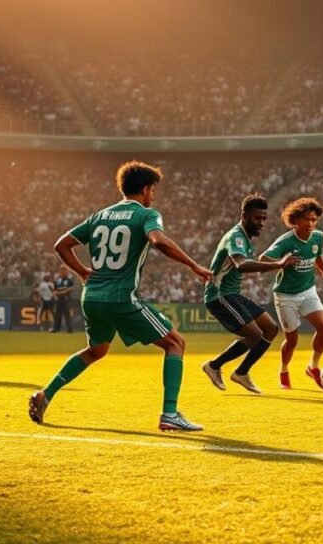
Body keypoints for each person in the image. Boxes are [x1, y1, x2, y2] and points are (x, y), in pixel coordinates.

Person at [29, 161, 213, 432]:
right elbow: (159, 241)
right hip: (121, 297)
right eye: (153, 190)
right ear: (146, 188)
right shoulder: (146, 215)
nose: (154, 196)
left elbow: (61, 245)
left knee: (96, 350)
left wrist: (82, 271)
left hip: (91, 297)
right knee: (175, 342)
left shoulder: (99, 216)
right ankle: (170, 414)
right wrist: (193, 265)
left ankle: (46, 393)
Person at [201, 193, 294, 394]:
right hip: (219, 296)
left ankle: (241, 373)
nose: (261, 223)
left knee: (271, 329)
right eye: (257, 218)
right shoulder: (236, 237)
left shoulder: (245, 238)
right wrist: (277, 264)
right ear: (244, 216)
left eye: (264, 218)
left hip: (232, 294)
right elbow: (241, 265)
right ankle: (214, 366)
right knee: (254, 334)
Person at [260, 197, 323, 390]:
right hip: (286, 295)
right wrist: (280, 263)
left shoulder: (318, 237)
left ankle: (313, 367)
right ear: (296, 219)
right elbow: (262, 260)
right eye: (307, 219)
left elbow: (317, 255)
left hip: (308, 290)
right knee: (292, 340)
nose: (311, 224)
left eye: (314, 220)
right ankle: (284, 370)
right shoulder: (285, 241)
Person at [51, 265, 75, 333]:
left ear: (67, 271)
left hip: (66, 299)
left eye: (64, 270)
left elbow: (71, 288)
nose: (62, 271)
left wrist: (62, 292)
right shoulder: (57, 280)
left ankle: (70, 329)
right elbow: (55, 289)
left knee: (67, 314)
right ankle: (56, 328)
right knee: (57, 315)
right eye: (61, 270)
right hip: (58, 300)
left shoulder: (69, 280)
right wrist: (54, 293)